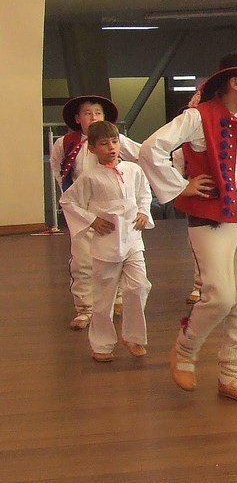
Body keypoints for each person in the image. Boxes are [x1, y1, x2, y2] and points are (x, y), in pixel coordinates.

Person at [140, 50, 237, 403]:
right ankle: (185, 350)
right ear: (234, 82)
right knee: (220, 296)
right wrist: (180, 186)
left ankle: (230, 374)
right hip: (210, 218)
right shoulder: (197, 117)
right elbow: (151, 149)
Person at [59, 121, 153, 362]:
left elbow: (144, 193)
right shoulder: (90, 177)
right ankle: (102, 344)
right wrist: (92, 220)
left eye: (114, 142)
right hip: (106, 244)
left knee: (139, 286)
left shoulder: (133, 170)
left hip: (132, 240)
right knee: (103, 297)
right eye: (104, 143)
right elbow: (68, 201)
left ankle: (133, 336)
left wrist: (143, 211)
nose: (111, 147)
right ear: (92, 149)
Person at [51, 95, 142, 330]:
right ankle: (85, 307)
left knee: (119, 253)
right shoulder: (66, 143)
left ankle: (118, 299)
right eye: (88, 113)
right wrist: (70, 195)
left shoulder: (117, 140)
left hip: (113, 212)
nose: (93, 117)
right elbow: (58, 168)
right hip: (83, 210)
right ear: (77, 118)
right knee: (82, 260)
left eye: (98, 113)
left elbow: (142, 154)